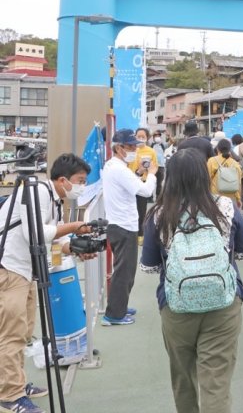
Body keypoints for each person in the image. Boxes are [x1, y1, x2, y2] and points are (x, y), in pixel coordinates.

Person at [140, 150, 243, 413]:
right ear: (204, 175)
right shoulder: (225, 206)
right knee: (216, 382)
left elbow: (150, 266)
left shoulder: (159, 215)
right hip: (222, 304)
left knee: (183, 378)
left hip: (176, 306)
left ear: (170, 178)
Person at [0, 154, 95, 413]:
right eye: (80, 181)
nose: (81, 186)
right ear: (62, 179)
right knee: (11, 334)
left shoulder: (52, 198)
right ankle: (10, 395)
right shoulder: (38, 191)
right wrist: (75, 226)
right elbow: (36, 233)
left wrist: (73, 247)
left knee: (22, 332)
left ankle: (15, 383)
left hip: (24, 270)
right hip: (9, 268)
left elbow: (48, 241)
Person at [102, 128, 158, 325]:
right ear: (119, 148)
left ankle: (119, 306)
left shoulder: (114, 166)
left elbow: (129, 184)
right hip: (124, 225)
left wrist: (139, 173)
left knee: (124, 271)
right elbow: (144, 190)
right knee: (124, 273)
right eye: (131, 146)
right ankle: (114, 314)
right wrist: (151, 175)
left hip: (119, 224)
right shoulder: (118, 169)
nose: (135, 149)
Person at [129, 128, 159, 242]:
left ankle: (140, 235)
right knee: (131, 209)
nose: (140, 139)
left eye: (143, 137)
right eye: (138, 136)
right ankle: (132, 233)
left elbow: (154, 166)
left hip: (143, 181)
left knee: (141, 210)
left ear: (147, 138)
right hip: (130, 180)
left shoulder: (151, 151)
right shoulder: (131, 150)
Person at [207, 139, 243, 208]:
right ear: (230, 150)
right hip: (230, 199)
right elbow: (238, 184)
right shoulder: (236, 164)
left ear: (217, 149)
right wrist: (238, 199)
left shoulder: (211, 161)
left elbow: (207, 179)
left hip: (215, 197)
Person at [152, 131, 168, 197]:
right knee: (151, 182)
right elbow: (145, 141)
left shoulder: (163, 145)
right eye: (155, 136)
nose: (157, 137)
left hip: (161, 166)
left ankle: (158, 196)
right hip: (152, 166)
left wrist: (168, 135)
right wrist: (152, 134)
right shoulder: (151, 144)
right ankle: (150, 198)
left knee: (159, 183)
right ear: (153, 137)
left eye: (158, 136)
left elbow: (172, 142)